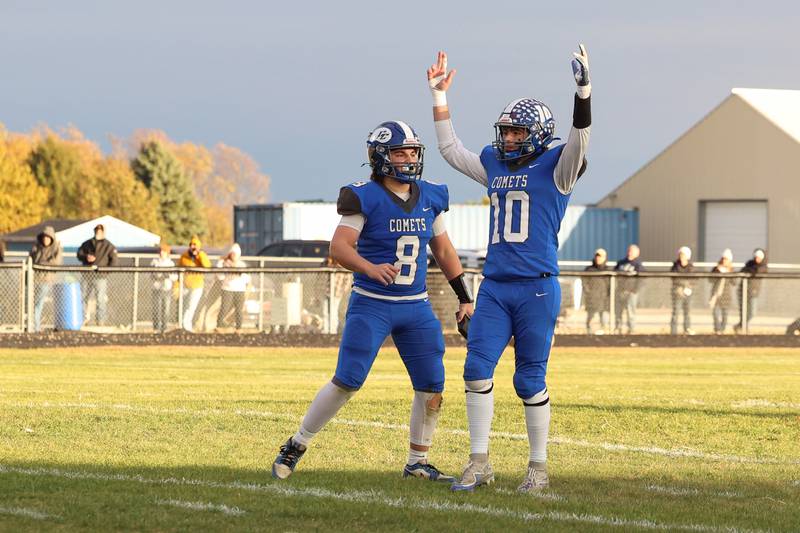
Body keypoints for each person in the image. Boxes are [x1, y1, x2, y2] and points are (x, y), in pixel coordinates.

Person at [427, 44, 591, 492]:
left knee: (529, 378)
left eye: (517, 132)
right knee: (475, 369)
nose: (509, 139)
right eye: (507, 131)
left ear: (537, 134)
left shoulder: (558, 167)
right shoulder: (495, 165)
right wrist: (439, 96)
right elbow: (450, 148)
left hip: (537, 287)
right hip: (496, 287)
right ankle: (479, 462)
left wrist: (583, 91)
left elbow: (581, 137)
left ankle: (538, 467)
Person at [272, 120, 474, 484]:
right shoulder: (364, 196)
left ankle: (417, 462)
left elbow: (444, 250)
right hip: (372, 303)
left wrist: (464, 298)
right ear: (381, 157)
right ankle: (297, 443)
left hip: (416, 306)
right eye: (400, 153)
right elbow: (339, 247)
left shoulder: (430, 195)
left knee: (432, 384)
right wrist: (369, 267)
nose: (408, 159)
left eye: (412, 152)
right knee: (348, 380)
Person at [76, 224, 118, 326]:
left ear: (103, 232)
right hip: (87, 275)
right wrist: (86, 257)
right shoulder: (87, 243)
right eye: (97, 230)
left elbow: (114, 261)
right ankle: (84, 319)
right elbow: (79, 254)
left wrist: (105, 272)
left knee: (100, 299)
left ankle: (100, 321)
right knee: (84, 297)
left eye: (100, 231)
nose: (98, 232)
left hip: (100, 276)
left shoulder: (108, 245)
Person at [29, 226, 63, 332]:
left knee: (38, 303)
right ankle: (33, 325)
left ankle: (36, 326)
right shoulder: (37, 248)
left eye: (48, 237)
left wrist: (42, 264)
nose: (45, 239)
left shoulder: (56, 248)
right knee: (31, 303)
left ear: (52, 238)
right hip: (34, 280)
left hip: (46, 281)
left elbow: (57, 262)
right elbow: (30, 260)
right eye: (44, 237)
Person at [178, 235, 211, 332]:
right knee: (183, 306)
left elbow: (207, 266)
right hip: (185, 285)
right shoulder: (184, 256)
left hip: (197, 285)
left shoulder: (201, 255)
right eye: (191, 245)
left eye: (195, 245)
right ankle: (183, 325)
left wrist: (198, 255)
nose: (193, 247)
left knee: (191, 306)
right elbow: (179, 267)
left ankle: (186, 326)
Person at [216, 243, 250, 331]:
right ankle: (219, 326)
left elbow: (247, 279)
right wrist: (221, 264)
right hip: (227, 289)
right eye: (232, 253)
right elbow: (220, 277)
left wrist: (238, 271)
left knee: (239, 310)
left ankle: (239, 328)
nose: (233, 256)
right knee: (224, 308)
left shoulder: (242, 264)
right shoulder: (224, 263)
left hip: (240, 290)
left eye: (235, 254)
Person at [734, 248, 768, 333]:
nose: (757, 259)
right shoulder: (749, 263)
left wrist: (750, 270)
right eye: (756, 257)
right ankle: (744, 328)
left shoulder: (763, 266)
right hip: (743, 290)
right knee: (744, 311)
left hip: (754, 292)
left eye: (759, 257)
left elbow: (757, 271)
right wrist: (749, 269)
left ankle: (740, 325)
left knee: (752, 312)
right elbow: (743, 270)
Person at [613, 244, 644, 334]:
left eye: (632, 251)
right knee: (618, 311)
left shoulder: (638, 265)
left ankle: (631, 329)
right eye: (629, 250)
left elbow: (642, 279)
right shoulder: (621, 263)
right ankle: (618, 328)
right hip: (620, 291)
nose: (630, 252)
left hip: (631, 292)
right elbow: (614, 274)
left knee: (631, 311)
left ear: (637, 253)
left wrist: (634, 290)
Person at [151, 243, 177, 333]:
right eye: (161, 251)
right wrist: (159, 275)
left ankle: (164, 328)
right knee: (156, 308)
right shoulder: (155, 262)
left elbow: (175, 277)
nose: (162, 253)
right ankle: (156, 328)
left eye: (164, 251)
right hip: (157, 288)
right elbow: (152, 274)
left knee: (166, 309)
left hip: (166, 288)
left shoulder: (170, 263)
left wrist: (168, 275)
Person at [582, 248, 609, 334]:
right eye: (597, 256)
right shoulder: (589, 269)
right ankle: (589, 333)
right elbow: (584, 282)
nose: (598, 258)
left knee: (604, 317)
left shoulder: (608, 270)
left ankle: (604, 332)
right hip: (592, 298)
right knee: (590, 317)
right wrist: (588, 292)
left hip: (604, 298)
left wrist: (608, 296)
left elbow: (611, 285)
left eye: (600, 256)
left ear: (604, 257)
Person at [670, 246, 695, 335]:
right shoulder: (675, 266)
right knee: (676, 312)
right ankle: (673, 332)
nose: (681, 256)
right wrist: (682, 285)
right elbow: (674, 278)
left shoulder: (691, 267)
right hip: (677, 292)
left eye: (683, 255)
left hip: (688, 292)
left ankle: (687, 329)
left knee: (687, 312)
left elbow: (693, 280)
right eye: (680, 254)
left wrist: (687, 286)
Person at [709, 249, 734, 334]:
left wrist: (729, 272)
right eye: (723, 258)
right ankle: (717, 329)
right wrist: (717, 271)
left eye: (726, 259)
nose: (724, 261)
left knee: (725, 314)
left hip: (726, 295)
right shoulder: (716, 269)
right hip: (716, 295)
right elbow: (710, 280)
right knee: (715, 313)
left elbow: (734, 282)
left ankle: (722, 329)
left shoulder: (731, 270)